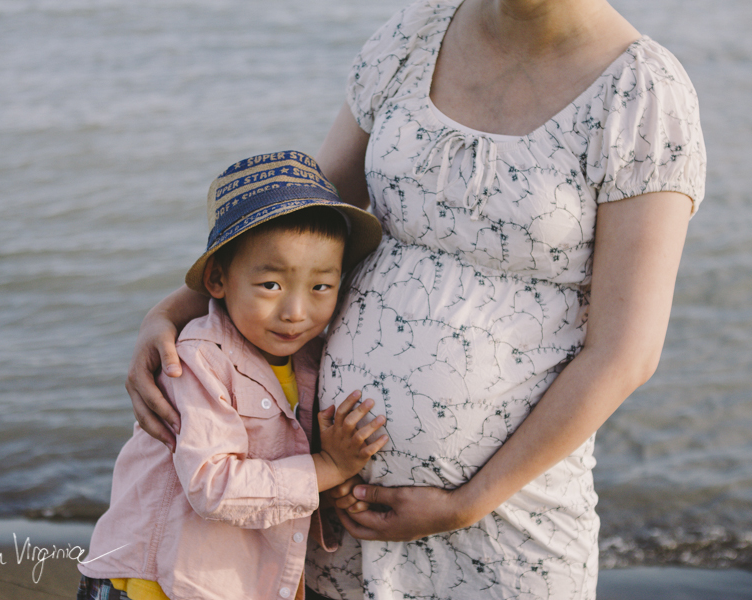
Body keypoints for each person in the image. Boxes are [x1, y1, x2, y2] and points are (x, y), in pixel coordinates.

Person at [125, 0, 706, 597]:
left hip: (510, 521)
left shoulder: (644, 95)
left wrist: (466, 503)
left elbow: (625, 351)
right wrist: (174, 310)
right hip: (332, 508)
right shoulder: (416, 32)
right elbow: (306, 225)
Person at [77, 151, 389, 600]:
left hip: (229, 578)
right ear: (219, 280)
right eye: (271, 285)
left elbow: (286, 456)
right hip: (154, 582)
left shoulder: (308, 360)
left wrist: (337, 484)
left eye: (321, 286)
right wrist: (327, 467)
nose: (296, 312)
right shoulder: (199, 360)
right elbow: (213, 486)